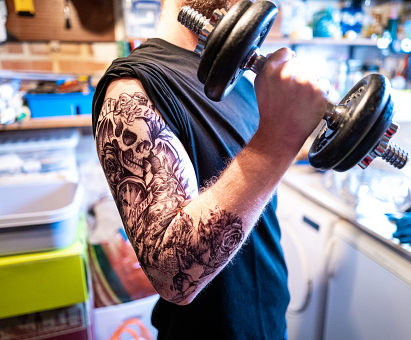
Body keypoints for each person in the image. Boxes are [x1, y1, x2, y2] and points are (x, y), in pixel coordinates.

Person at [91, 0, 326, 338]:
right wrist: (279, 138)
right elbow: (173, 278)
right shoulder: (133, 89)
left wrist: (295, 134)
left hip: (270, 323)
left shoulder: (240, 82)